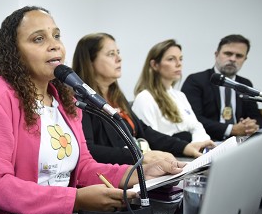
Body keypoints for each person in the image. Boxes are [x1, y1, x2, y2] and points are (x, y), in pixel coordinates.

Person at [0, 6, 184, 214]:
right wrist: (75, 200)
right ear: (14, 53)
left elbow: (83, 167)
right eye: (38, 39)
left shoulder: (65, 100)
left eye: (56, 36)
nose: (55, 46)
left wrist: (137, 174)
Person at [72, 33, 214, 166]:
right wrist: (139, 155)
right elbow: (89, 150)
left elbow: (145, 132)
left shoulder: (116, 97)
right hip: (110, 178)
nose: (119, 58)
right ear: (89, 62)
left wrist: (185, 147)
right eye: (111, 54)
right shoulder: (80, 101)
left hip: (133, 169)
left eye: (118, 53)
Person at [181, 34, 262, 141]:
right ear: (216, 54)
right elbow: (193, 119)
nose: (233, 59)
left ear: (245, 59)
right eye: (228, 53)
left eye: (239, 56)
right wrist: (231, 129)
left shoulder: (245, 84)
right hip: (207, 142)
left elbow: (257, 118)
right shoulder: (196, 80)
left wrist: (252, 125)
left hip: (240, 143)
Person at [132, 39, 211, 142]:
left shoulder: (180, 96)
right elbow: (151, 140)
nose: (179, 64)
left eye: (180, 59)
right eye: (171, 59)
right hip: (169, 155)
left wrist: (198, 145)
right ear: (154, 65)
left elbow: (197, 127)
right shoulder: (145, 98)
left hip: (192, 153)